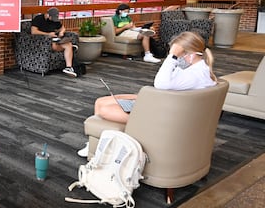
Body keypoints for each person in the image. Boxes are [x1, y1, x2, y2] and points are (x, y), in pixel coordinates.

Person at [78, 31, 217, 156]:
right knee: (101, 101)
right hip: (163, 103)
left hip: (162, 116)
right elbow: (168, 87)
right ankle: (94, 145)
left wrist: (172, 57)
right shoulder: (200, 69)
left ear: (189, 53)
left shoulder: (194, 75)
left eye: (179, 53)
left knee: (105, 110)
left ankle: (100, 146)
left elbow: (161, 84)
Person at [31, 7, 79, 77]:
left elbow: (62, 27)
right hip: (45, 42)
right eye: (52, 18)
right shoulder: (38, 19)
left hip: (55, 40)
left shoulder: (55, 20)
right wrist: (48, 34)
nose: (53, 20)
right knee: (68, 46)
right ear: (48, 15)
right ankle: (71, 49)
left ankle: (68, 67)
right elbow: (33, 31)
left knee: (68, 44)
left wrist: (62, 32)